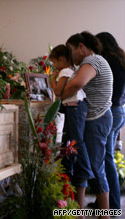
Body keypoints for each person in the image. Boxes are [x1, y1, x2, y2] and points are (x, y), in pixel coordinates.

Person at [62, 31, 113, 219]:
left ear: (81, 47)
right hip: (95, 119)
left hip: (96, 120)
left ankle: (105, 215)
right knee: (84, 165)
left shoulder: (92, 61)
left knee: (95, 166)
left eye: (71, 50)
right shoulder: (94, 61)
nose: (70, 56)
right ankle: (79, 212)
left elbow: (78, 83)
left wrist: (58, 92)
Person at [49, 45, 94, 210]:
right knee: (70, 141)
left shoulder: (64, 72)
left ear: (61, 59)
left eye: (54, 62)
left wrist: (52, 78)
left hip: (75, 107)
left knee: (76, 140)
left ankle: (84, 168)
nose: (54, 66)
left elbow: (58, 92)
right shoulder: (70, 70)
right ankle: (70, 168)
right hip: (76, 107)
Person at [87, 32, 125, 210]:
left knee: (105, 159)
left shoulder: (105, 60)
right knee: (106, 157)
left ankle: (112, 206)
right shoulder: (121, 58)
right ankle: (106, 202)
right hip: (120, 111)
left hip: (108, 111)